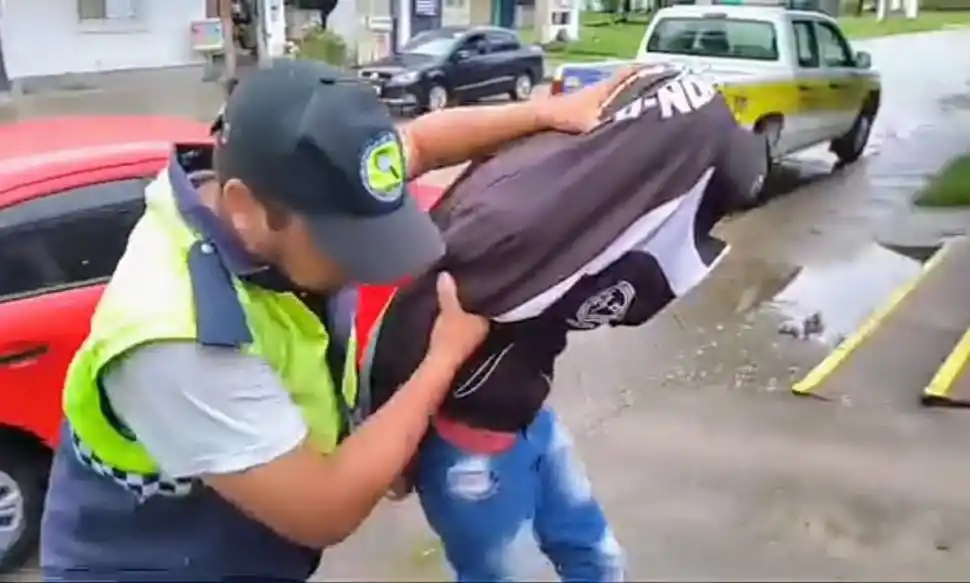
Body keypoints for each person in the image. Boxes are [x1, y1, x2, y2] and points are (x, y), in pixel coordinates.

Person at [38, 58, 638, 581]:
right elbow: (323, 510)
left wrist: (549, 112)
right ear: (247, 209)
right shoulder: (180, 339)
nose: (364, 265)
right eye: (343, 242)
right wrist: (444, 357)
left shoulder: (303, 190)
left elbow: (422, 144)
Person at [360, 65, 769, 582]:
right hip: (469, 447)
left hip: (528, 412)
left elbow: (418, 144)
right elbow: (406, 327)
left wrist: (545, 112)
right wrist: (391, 449)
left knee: (599, 561)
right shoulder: (511, 226)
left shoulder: (588, 198)